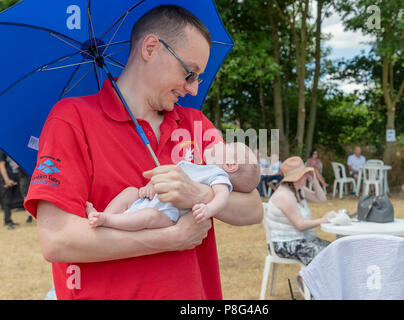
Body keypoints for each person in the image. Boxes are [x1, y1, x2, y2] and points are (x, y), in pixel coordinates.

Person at [24, 5, 262, 300]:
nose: (193, 89)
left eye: (198, 77)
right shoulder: (72, 119)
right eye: (189, 73)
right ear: (150, 48)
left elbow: (253, 208)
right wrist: (169, 238)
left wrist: (199, 195)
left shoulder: (195, 124)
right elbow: (58, 240)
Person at [87, 142, 260, 230]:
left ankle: (108, 221)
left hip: (164, 214)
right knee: (131, 192)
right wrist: (151, 185)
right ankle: (103, 215)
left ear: (230, 165)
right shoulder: (197, 167)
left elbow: (222, 197)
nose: (219, 143)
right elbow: (165, 176)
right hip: (146, 200)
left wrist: (208, 208)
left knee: (150, 215)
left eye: (227, 146)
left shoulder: (218, 175)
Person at [266, 156, 332, 266]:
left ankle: (313, 281)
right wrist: (323, 220)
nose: (307, 176)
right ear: (297, 177)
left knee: (334, 249)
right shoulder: (285, 195)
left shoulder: (299, 189)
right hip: (284, 243)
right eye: (305, 174)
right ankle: (308, 281)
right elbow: (300, 225)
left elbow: (321, 199)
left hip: (301, 239)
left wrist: (314, 181)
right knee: (324, 255)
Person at [0, 150, 22, 229]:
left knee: (13, 199)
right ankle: (7, 221)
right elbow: (1, 165)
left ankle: (10, 220)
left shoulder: (13, 149)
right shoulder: (2, 150)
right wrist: (6, 179)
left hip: (16, 176)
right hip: (7, 179)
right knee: (7, 200)